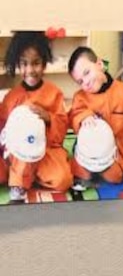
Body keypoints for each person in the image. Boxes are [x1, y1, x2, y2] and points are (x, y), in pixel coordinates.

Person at [2, 31, 72, 202]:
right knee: (18, 161)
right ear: (18, 65)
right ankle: (20, 181)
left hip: (46, 150)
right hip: (19, 154)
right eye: (24, 64)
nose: (30, 70)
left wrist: (48, 117)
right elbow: (3, 129)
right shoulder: (12, 96)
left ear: (44, 63)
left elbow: (62, 127)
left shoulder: (54, 93)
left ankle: (31, 176)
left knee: (63, 180)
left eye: (36, 63)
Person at [65, 46, 123, 188]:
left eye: (87, 73)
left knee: (114, 176)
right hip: (87, 153)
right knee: (79, 173)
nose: (85, 82)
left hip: (115, 153)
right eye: (80, 81)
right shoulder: (80, 97)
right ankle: (85, 174)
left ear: (99, 64)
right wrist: (84, 116)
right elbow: (74, 114)